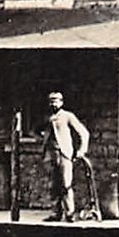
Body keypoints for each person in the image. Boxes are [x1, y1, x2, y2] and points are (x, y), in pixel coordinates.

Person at [41, 91, 89, 221]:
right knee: (53, 186)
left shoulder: (68, 116)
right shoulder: (48, 118)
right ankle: (55, 213)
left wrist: (81, 150)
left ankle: (70, 213)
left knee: (66, 184)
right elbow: (36, 131)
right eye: (51, 101)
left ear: (61, 102)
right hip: (51, 155)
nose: (53, 104)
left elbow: (84, 133)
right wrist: (42, 139)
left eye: (56, 101)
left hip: (64, 154)